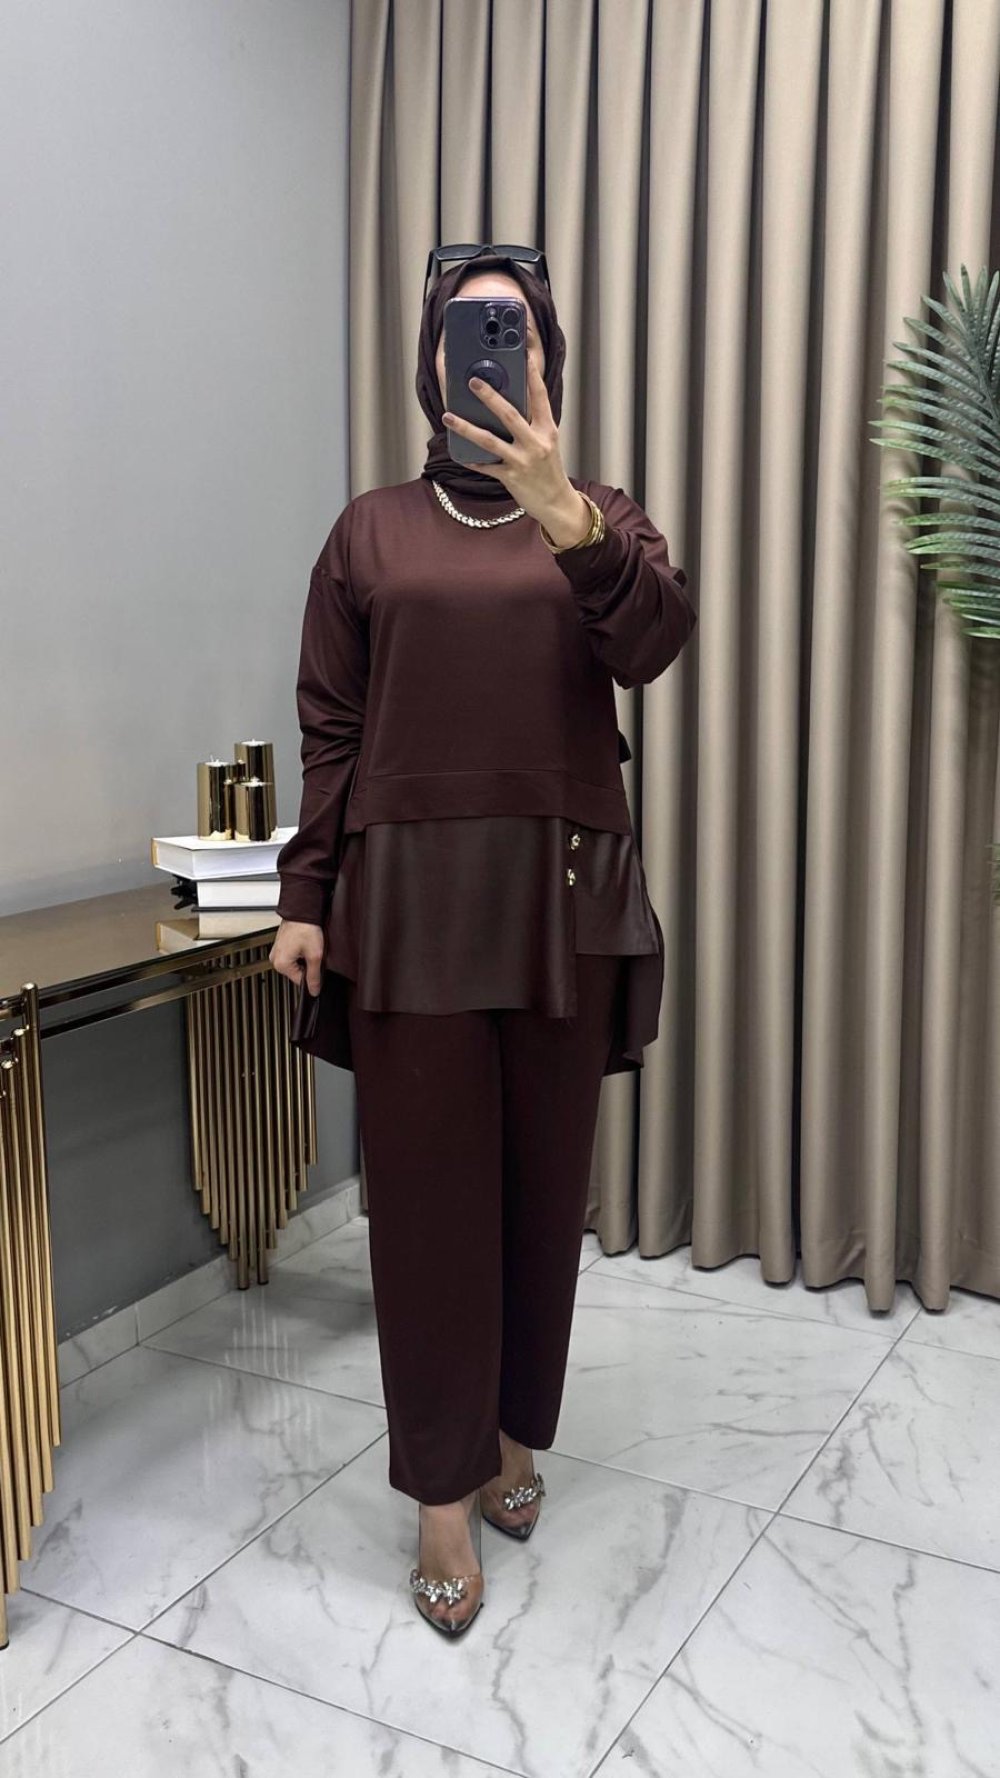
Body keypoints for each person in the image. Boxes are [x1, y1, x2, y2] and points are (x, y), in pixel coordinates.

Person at [270, 245, 697, 1636]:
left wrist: (564, 513)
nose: (492, 348)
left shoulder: (601, 518)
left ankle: (516, 1432)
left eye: (514, 329)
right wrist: (305, 894)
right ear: (432, 361)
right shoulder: (369, 533)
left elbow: (655, 645)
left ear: (548, 360)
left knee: (538, 1193)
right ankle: (442, 1495)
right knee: (429, 1211)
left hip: (560, 903)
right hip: (408, 912)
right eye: (470, 329)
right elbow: (332, 727)